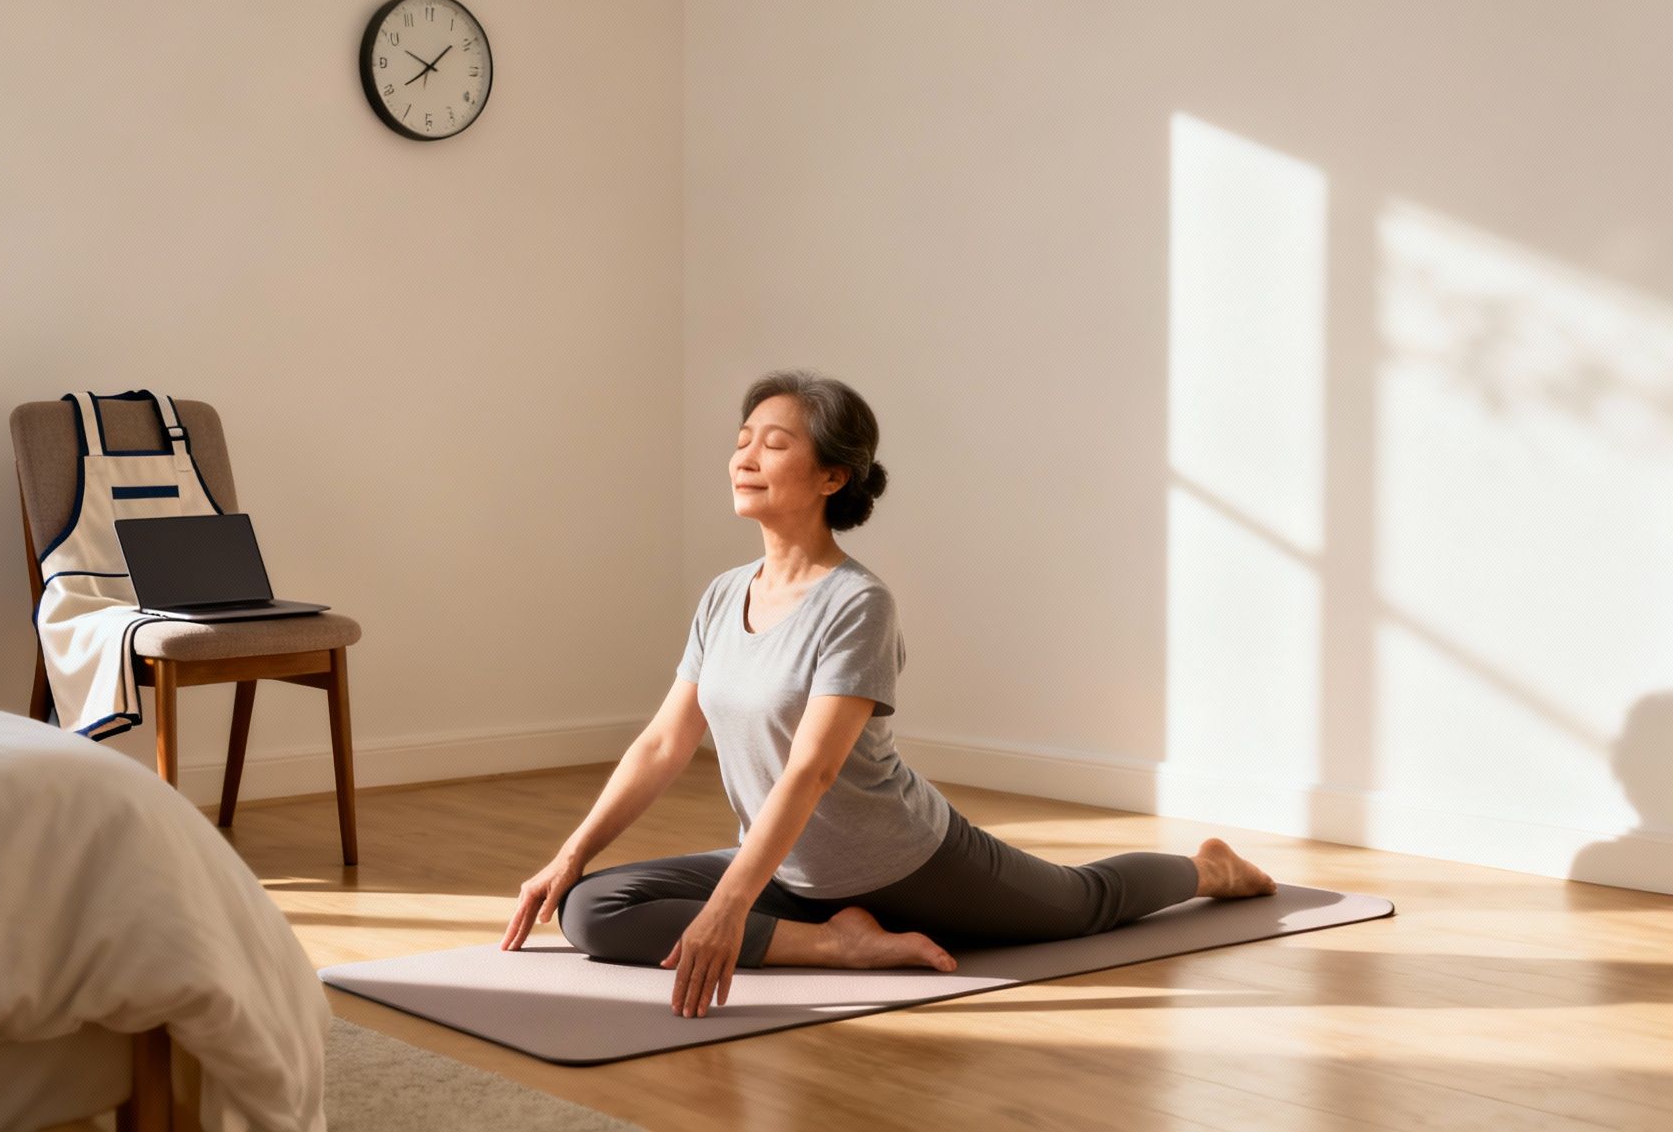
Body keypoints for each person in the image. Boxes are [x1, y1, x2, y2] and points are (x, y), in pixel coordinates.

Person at [499, 370, 1276, 1019]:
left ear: (832, 476)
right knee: (593, 909)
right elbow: (664, 743)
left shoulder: (857, 603)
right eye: (741, 441)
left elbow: (813, 771)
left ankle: (1208, 870)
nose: (745, 454)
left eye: (775, 443)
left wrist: (731, 908)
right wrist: (568, 859)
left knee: (1080, 904)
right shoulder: (722, 594)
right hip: (786, 872)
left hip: (902, 859)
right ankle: (843, 944)